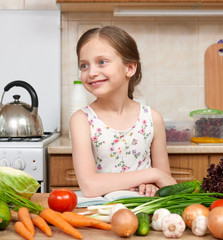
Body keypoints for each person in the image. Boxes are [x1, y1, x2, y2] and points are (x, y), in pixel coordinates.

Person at [70, 26, 176, 198]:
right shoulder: (81, 120)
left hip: (144, 210)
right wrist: (152, 174)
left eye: (102, 62)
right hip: (101, 214)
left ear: (130, 68)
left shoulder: (151, 118)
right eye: (84, 65)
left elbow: (167, 184)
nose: (92, 73)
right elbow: (89, 186)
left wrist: (153, 185)